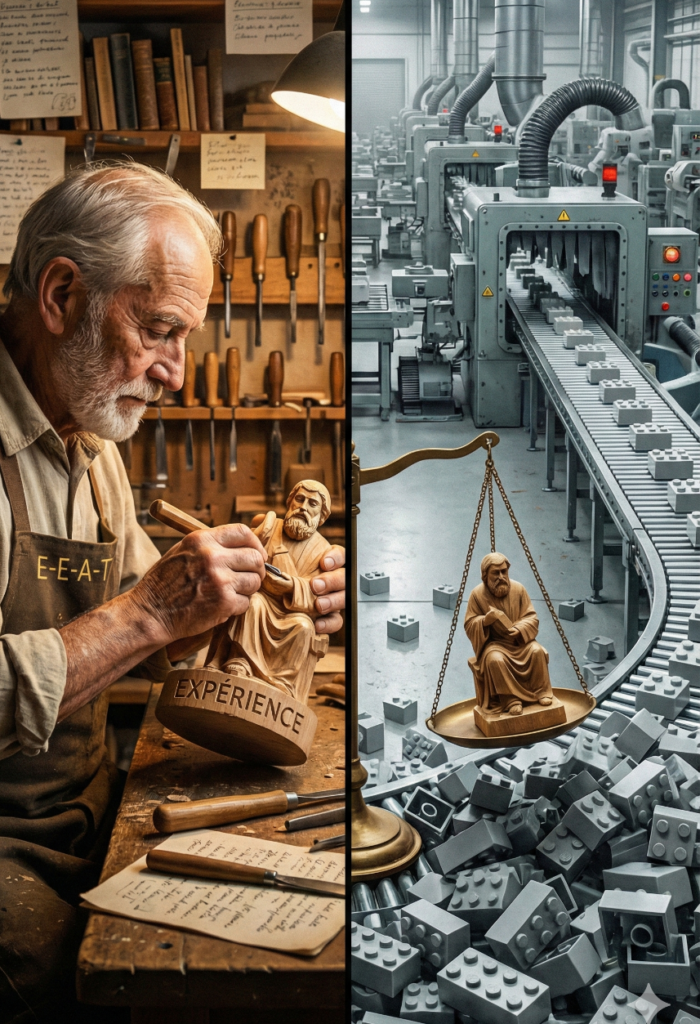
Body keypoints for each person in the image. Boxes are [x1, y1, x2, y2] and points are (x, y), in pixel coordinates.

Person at [0, 162, 345, 1024]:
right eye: (158, 330)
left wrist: (235, 611)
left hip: (79, 812)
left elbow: (136, 644)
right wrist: (150, 610)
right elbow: (131, 620)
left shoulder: (87, 432)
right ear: (62, 293)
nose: (176, 374)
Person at [209, 479, 334, 702]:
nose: (303, 507)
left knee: (304, 627)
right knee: (253, 603)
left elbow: (317, 593)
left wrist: (292, 586)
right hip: (261, 598)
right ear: (290, 502)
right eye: (299, 499)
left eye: (312, 503)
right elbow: (244, 557)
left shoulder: (323, 550)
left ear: (321, 516)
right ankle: (239, 662)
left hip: (291, 612)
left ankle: (282, 683)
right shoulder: (270, 526)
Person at [464, 552, 553, 716]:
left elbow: (531, 617)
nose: (501, 576)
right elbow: (470, 624)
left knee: (536, 651)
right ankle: (511, 700)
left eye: (503, 571)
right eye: (495, 573)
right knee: (495, 660)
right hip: (495, 645)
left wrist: (519, 629)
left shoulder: (519, 589)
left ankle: (541, 692)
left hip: (520, 642)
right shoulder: (477, 595)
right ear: (485, 575)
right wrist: (485, 621)